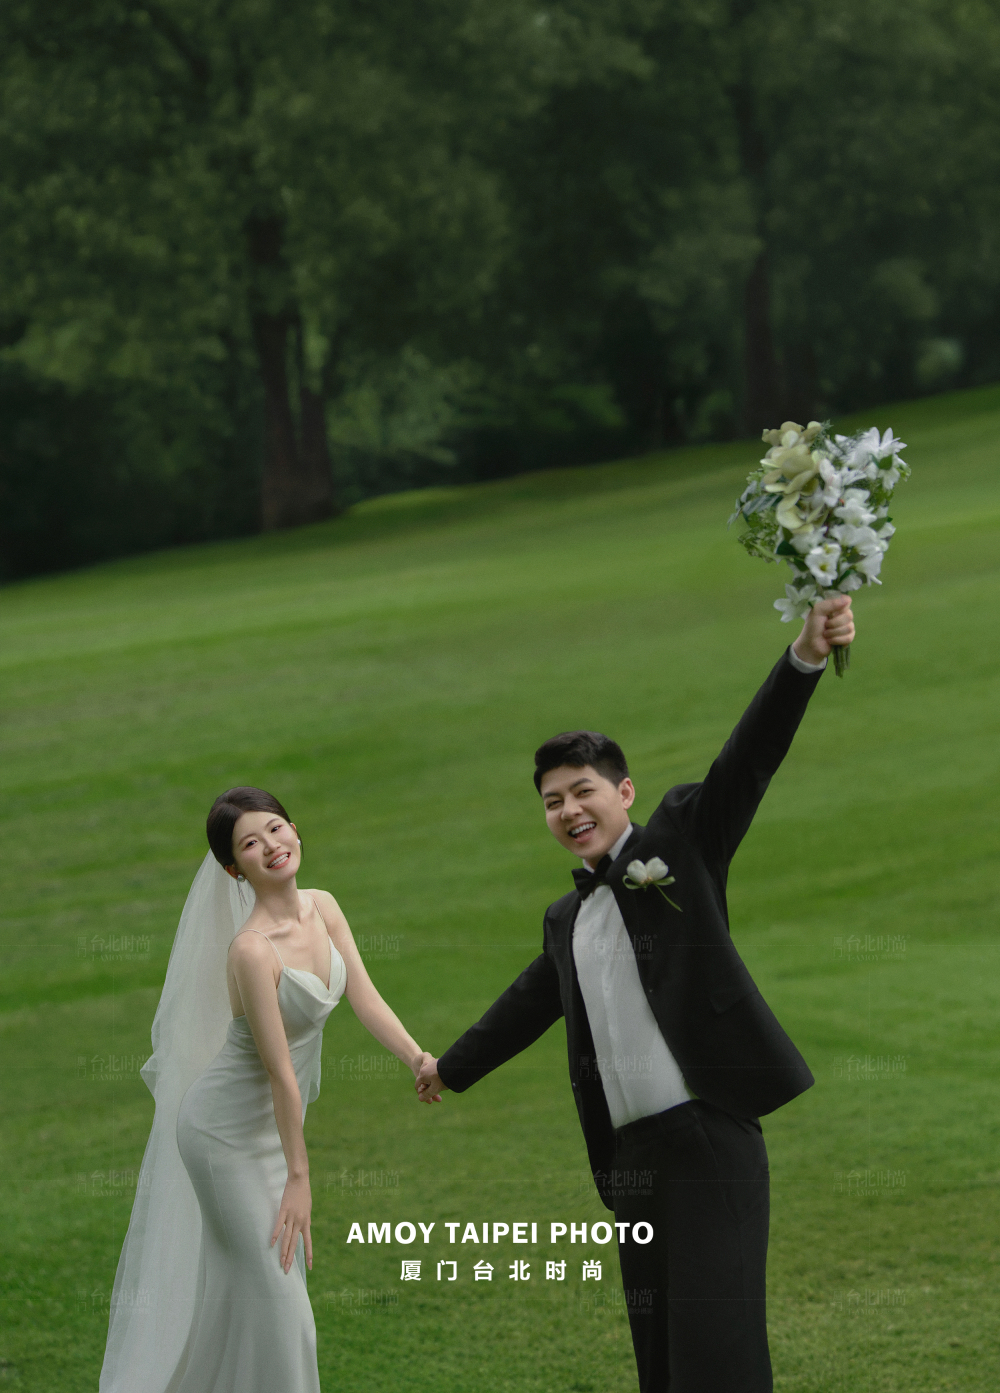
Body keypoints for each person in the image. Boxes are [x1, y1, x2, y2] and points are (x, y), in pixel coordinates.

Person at [416, 597, 856, 1393]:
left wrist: (805, 657)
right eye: (552, 801)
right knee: (661, 1360)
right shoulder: (567, 919)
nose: (568, 810)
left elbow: (749, 758)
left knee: (716, 1359)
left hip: (707, 1140)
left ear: (623, 791)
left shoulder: (682, 840)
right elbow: (526, 1004)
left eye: (581, 791)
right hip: (631, 1164)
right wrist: (448, 1068)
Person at [101, 786, 429, 1393]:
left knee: (252, 1297)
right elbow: (280, 1071)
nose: (271, 845)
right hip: (223, 1135)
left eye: (276, 828)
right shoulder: (251, 951)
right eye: (250, 843)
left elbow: (364, 996)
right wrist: (299, 1178)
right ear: (234, 870)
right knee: (281, 1305)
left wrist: (416, 1058)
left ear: (295, 830)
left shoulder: (324, 907)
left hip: (273, 1131)